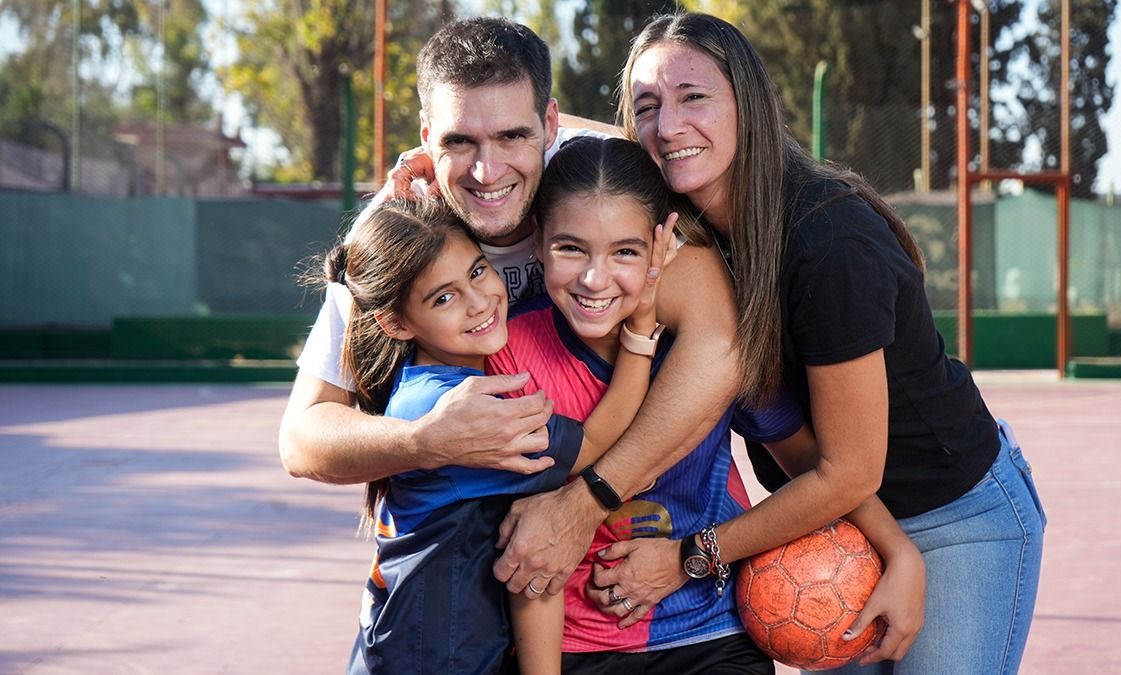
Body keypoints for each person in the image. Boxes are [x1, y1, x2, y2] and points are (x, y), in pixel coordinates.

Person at [589, 12, 1047, 675]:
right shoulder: (693, 235)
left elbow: (850, 470)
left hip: (950, 519)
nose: (668, 126)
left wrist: (692, 555)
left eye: (694, 97)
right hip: (830, 523)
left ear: (748, 104)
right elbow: (587, 141)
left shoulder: (828, 241)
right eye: (647, 107)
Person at [277, 16, 740, 616]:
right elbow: (303, 438)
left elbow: (720, 347)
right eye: (459, 142)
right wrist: (426, 440)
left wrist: (588, 502)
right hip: (461, 595)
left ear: (549, 126)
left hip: (622, 579)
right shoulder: (400, 231)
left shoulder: (597, 190)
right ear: (427, 137)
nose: (486, 171)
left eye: (511, 137)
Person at [487, 135, 924, 673]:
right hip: (577, 644)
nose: (595, 279)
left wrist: (897, 549)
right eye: (570, 249)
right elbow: (531, 542)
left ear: (662, 247)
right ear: (537, 241)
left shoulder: (701, 352)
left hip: (710, 632)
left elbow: (807, 459)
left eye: (625, 252)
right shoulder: (510, 353)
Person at [329, 196, 676, 674]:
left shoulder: (429, 385)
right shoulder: (455, 410)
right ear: (395, 323)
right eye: (444, 298)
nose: (478, 302)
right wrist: (640, 327)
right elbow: (594, 446)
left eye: (477, 272)